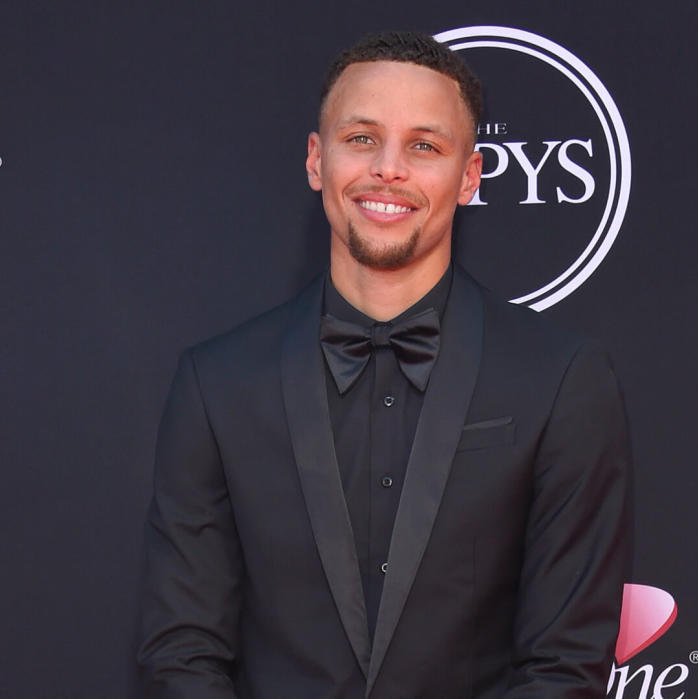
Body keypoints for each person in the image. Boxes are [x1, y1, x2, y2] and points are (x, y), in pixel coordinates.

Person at [138, 30, 632, 698]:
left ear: (470, 176)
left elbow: (565, 663)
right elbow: (183, 652)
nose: (388, 169)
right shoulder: (217, 384)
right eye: (362, 138)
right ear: (317, 160)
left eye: (424, 146)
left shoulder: (562, 379)